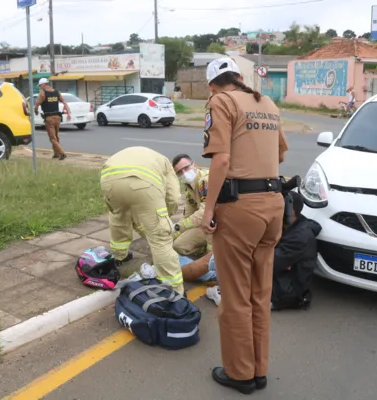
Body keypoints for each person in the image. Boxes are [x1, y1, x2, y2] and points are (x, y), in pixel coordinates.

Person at [200, 57, 288, 394]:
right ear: (239, 76)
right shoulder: (266, 102)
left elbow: (221, 159)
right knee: (259, 293)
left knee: (235, 296)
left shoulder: (220, 102)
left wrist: (209, 209)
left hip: (239, 209)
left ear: (212, 85)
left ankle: (240, 374)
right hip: (273, 206)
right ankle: (259, 369)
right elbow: (279, 155)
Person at [177, 178, 321, 311]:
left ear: (291, 211)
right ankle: (179, 271)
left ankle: (187, 278)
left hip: (280, 293)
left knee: (222, 258)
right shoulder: (290, 226)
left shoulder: (300, 237)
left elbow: (266, 263)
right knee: (220, 257)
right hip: (275, 281)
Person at [100, 146, 185, 295]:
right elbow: (173, 197)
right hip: (141, 182)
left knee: (119, 217)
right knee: (160, 238)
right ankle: (174, 290)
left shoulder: (147, 156)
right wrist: (164, 216)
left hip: (108, 178)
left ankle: (120, 256)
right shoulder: (166, 165)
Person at [171, 154, 212, 258]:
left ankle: (202, 256)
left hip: (216, 225)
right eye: (180, 172)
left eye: (186, 168)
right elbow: (189, 213)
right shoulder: (189, 186)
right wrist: (175, 233)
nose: (184, 173)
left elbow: (204, 212)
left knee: (179, 246)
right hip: (206, 222)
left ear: (194, 164)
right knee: (173, 239)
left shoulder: (205, 181)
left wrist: (178, 226)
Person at [34, 78, 70, 160]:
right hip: (57, 117)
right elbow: (64, 101)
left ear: (43, 85)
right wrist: (68, 111)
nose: (40, 87)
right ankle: (56, 154)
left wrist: (36, 111)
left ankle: (62, 153)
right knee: (56, 137)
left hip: (49, 118)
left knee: (52, 138)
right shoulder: (56, 92)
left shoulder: (42, 93)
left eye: (40, 86)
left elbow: (37, 104)